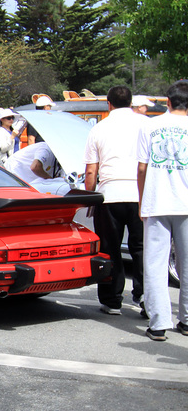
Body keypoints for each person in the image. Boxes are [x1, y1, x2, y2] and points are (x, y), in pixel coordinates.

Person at [84, 86, 148, 315]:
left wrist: (90, 198)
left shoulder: (99, 128)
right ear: (130, 102)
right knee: (141, 248)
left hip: (110, 194)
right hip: (140, 194)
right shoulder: (145, 124)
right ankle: (144, 297)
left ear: (108, 104)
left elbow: (91, 171)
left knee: (110, 248)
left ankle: (112, 300)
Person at [136, 79, 188, 341]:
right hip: (186, 203)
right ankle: (187, 320)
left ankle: (158, 323)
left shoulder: (150, 125)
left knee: (155, 263)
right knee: (187, 263)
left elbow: (143, 167)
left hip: (156, 201)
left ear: (168, 102)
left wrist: (142, 200)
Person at [4, 141, 69, 195]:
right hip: (13, 169)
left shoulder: (60, 161)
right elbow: (35, 167)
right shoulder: (46, 148)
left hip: (26, 178)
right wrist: (49, 178)